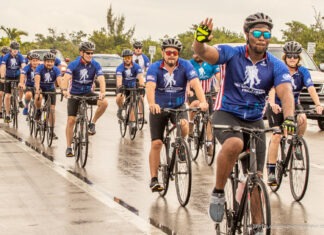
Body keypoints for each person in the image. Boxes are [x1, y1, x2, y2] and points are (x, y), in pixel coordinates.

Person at [193, 13, 296, 225]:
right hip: (227, 113)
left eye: (266, 33)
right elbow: (204, 53)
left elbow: (285, 92)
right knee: (234, 143)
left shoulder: (276, 65)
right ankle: (219, 192)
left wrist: (290, 118)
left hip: (255, 119)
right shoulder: (232, 53)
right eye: (257, 32)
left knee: (256, 177)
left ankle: (257, 226)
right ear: (247, 34)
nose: (262, 37)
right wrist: (200, 40)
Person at [146, 38, 208, 192]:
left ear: (178, 54)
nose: (171, 55)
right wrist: (152, 104)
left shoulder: (185, 65)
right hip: (159, 108)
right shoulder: (155, 68)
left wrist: (203, 101)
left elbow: (195, 83)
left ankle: (180, 145)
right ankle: (154, 178)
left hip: (178, 106)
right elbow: (150, 87)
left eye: (175, 53)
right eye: (168, 52)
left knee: (184, 124)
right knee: (157, 144)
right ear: (163, 53)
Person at [266, 41, 323, 185]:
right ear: (285, 57)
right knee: (277, 136)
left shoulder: (303, 71)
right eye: (290, 56)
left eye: (295, 56)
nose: (292, 59)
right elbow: (272, 89)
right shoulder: (279, 70)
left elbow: (310, 88)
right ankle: (271, 171)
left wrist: (317, 104)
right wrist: (272, 104)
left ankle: (297, 142)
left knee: (302, 118)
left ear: (299, 58)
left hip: (293, 104)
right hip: (277, 105)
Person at [60, 41, 108, 157]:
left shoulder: (95, 64)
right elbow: (66, 78)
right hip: (74, 94)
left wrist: (102, 92)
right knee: (71, 120)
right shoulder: (74, 64)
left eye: (92, 53)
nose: (90, 55)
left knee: (104, 103)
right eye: (88, 53)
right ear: (81, 53)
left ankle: (92, 123)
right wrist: (65, 90)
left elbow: (101, 79)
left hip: (87, 93)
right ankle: (68, 147)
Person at [187, 49, 220, 156]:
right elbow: (186, 79)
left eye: (199, 53)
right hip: (194, 93)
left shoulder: (211, 63)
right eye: (195, 53)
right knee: (195, 104)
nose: (197, 55)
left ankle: (209, 143)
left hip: (208, 93)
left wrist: (221, 87)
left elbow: (219, 76)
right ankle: (191, 124)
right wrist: (187, 90)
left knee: (209, 119)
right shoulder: (190, 64)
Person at [34, 52, 62, 139]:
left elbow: (59, 79)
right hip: (41, 87)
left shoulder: (56, 69)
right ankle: (38, 110)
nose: (49, 63)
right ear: (44, 62)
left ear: (54, 62)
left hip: (50, 88)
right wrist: (38, 89)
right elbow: (37, 77)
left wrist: (62, 88)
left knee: (52, 110)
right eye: (48, 61)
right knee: (39, 96)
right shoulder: (39, 68)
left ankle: (52, 131)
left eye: (51, 62)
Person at [116, 49, 145, 131]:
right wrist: (120, 85)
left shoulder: (136, 66)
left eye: (129, 57)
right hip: (124, 87)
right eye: (125, 58)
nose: (127, 59)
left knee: (133, 102)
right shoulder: (120, 68)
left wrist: (142, 85)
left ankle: (132, 123)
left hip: (133, 87)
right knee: (119, 97)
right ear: (123, 59)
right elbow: (119, 78)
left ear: (131, 57)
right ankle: (120, 109)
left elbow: (140, 77)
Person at [0, 41, 26, 123]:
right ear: (10, 49)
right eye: (14, 49)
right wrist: (3, 77)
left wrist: (24, 74)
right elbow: (3, 66)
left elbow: (23, 65)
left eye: (17, 49)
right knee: (7, 96)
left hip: (17, 75)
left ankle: (20, 100)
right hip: (8, 76)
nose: (15, 50)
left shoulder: (20, 56)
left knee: (21, 86)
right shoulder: (6, 57)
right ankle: (7, 115)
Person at [0, 46, 10, 119]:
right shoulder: (1, 59)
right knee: (0, 94)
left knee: (9, 94)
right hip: (1, 76)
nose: (5, 55)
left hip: (10, 77)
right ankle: (0, 111)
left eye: (6, 53)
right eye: (4, 53)